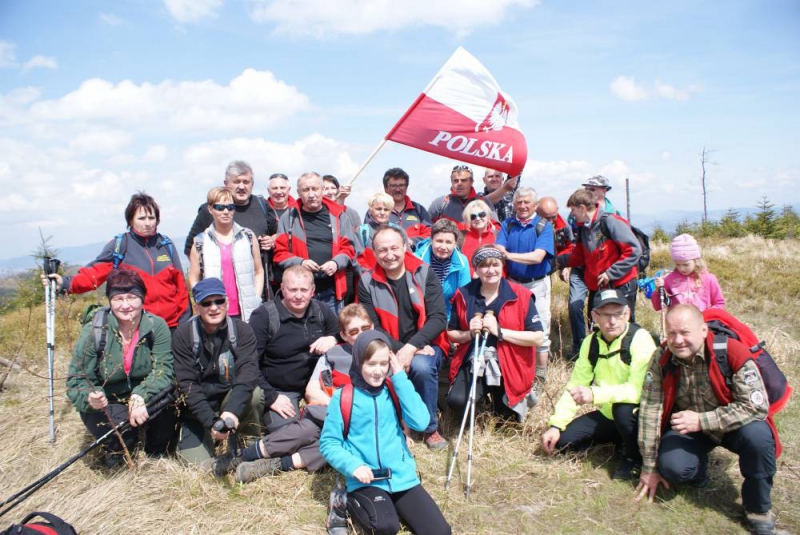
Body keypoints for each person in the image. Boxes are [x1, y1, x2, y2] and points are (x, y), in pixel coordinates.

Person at [636, 305, 783, 535]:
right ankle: (698, 470)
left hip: (733, 425)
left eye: (685, 332)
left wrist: (703, 421)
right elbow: (650, 408)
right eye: (671, 333)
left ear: (703, 330)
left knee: (759, 437)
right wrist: (648, 466)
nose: (678, 340)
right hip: (688, 427)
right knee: (672, 466)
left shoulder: (731, 351)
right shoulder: (662, 358)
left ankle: (758, 510)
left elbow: (756, 406)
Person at [219, 304, 372, 483]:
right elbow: (312, 390)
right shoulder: (332, 356)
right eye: (353, 331)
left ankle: (274, 465)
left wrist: (405, 432)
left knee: (338, 443)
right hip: (330, 413)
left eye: (365, 328)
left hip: (361, 425)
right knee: (304, 430)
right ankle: (239, 456)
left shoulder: (382, 355)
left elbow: (394, 396)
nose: (361, 334)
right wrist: (341, 408)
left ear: (372, 326)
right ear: (344, 335)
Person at [319, 330, 452, 535]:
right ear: (358, 362)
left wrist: (399, 376)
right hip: (366, 480)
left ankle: (390, 505)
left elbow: (421, 421)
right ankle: (342, 501)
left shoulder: (394, 388)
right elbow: (329, 443)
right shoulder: (344, 397)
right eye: (371, 364)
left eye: (383, 363)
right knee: (384, 528)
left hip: (401, 477)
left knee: (439, 531)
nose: (378, 371)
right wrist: (353, 466)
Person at [65, 269, 176, 468]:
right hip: (108, 401)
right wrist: (90, 398)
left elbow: (164, 369)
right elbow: (77, 379)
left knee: (166, 406)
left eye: (132, 297)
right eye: (118, 298)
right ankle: (116, 455)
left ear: (142, 298)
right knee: (120, 430)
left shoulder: (156, 326)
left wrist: (140, 395)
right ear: (109, 300)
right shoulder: (95, 331)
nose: (125, 305)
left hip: (142, 395)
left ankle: (156, 454)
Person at [541, 289, 656, 479]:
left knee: (623, 409)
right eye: (605, 315)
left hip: (637, 415)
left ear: (627, 313)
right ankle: (619, 439)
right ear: (595, 316)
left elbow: (638, 391)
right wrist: (556, 425)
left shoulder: (640, 339)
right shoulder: (590, 342)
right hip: (607, 413)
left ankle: (633, 459)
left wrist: (595, 394)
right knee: (563, 443)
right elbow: (575, 385)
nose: (612, 321)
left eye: (618, 314)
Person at [358, 225, 449, 450]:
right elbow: (373, 326)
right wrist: (402, 350)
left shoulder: (424, 272)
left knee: (421, 366)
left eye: (394, 248)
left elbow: (438, 318)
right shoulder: (366, 281)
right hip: (388, 344)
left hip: (429, 344)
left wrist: (411, 348)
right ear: (374, 252)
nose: (389, 255)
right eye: (382, 250)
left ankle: (430, 428)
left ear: (405, 246)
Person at [43, 192, 190, 329]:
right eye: (141, 218)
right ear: (131, 220)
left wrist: (185, 323)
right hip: (136, 326)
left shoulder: (165, 244)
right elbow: (94, 274)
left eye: (151, 218)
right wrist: (66, 283)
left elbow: (181, 287)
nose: (147, 223)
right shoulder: (120, 245)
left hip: (171, 326)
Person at [172, 278, 264, 465]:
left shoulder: (242, 331)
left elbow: (248, 375)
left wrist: (231, 412)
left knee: (254, 393)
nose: (214, 308)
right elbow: (188, 385)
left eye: (219, 301)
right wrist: (210, 421)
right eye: (206, 303)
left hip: (228, 401)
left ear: (227, 302)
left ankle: (248, 443)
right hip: (197, 409)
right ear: (197, 307)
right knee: (200, 467)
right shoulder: (183, 335)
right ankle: (209, 437)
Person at [447, 245, 543, 421]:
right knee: (458, 402)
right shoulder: (463, 294)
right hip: (474, 358)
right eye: (484, 265)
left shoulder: (521, 295)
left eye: (495, 264)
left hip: (509, 361)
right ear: (475, 269)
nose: (490, 270)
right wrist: (469, 333)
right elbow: (451, 333)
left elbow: (537, 338)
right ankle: (479, 399)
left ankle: (513, 398)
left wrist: (499, 332)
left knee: (507, 419)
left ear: (502, 266)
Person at [248, 265, 340, 434]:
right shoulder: (264, 316)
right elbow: (249, 363)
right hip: (281, 390)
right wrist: (271, 397)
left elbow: (344, 334)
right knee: (290, 435)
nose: (298, 296)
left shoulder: (321, 311)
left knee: (336, 424)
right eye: (292, 290)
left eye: (304, 290)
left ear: (312, 291)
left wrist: (333, 338)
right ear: (282, 289)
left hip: (317, 386)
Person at [495, 187, 554, 388]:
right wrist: (504, 253)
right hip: (513, 282)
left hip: (537, 283)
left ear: (535, 205)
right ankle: (516, 369)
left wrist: (509, 256)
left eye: (527, 202)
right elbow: (498, 247)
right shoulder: (508, 224)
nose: (522, 206)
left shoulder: (544, 226)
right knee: (513, 326)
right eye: (519, 202)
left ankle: (540, 376)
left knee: (540, 328)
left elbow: (538, 256)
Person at [273, 172, 356, 314]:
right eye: (306, 190)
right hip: (299, 294)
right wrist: (301, 262)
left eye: (315, 189)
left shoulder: (339, 216)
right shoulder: (289, 218)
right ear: (298, 192)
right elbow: (279, 253)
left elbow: (348, 249)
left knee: (333, 334)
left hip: (332, 291)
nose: (311, 194)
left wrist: (336, 263)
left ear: (322, 189)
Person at [183, 161, 277, 285]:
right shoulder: (210, 210)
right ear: (226, 184)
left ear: (252, 184)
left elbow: (277, 234)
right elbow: (191, 247)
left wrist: (272, 241)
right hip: (220, 287)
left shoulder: (262, 205)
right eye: (237, 181)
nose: (242, 187)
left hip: (259, 285)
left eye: (246, 182)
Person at [564, 176, 622, 356]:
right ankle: (580, 347)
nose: (590, 191)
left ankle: (595, 348)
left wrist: (612, 272)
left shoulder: (613, 215)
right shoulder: (577, 216)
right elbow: (572, 242)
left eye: (594, 188)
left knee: (596, 309)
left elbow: (625, 248)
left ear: (604, 190)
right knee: (575, 305)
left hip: (603, 273)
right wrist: (564, 264)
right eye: (588, 188)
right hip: (582, 267)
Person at [189, 187, 264, 322]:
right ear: (210, 209)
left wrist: (256, 297)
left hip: (247, 312)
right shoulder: (200, 242)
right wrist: (203, 301)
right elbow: (194, 277)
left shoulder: (248, 236)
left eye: (230, 207)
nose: (225, 212)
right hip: (215, 313)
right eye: (219, 207)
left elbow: (258, 271)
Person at [565, 188, 641, 322]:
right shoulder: (584, 227)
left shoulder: (611, 222)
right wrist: (557, 261)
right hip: (599, 286)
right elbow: (579, 256)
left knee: (621, 326)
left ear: (582, 208)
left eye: (573, 210)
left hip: (620, 284)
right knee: (597, 326)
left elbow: (634, 250)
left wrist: (610, 273)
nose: (571, 214)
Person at [413, 218, 471, 322]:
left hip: (448, 318)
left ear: (455, 243)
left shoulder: (462, 262)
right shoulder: (415, 260)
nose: (443, 247)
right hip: (420, 318)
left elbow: (464, 297)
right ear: (431, 240)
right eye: (439, 241)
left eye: (448, 242)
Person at [652, 234, 725, 311]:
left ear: (696, 260)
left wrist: (707, 316)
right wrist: (657, 291)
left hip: (703, 321)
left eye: (686, 264)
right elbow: (657, 306)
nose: (682, 268)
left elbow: (719, 304)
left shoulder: (709, 279)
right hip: (678, 321)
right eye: (677, 264)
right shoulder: (668, 279)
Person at [428, 165, 504, 228]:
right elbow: (427, 229)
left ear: (471, 182)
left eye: (463, 180)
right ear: (451, 182)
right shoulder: (440, 203)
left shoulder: (484, 202)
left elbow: (496, 228)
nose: (459, 183)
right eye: (456, 181)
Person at [383, 167, 432, 248]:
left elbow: (430, 233)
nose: (398, 189)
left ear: (406, 187)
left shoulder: (419, 210)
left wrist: (412, 242)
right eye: (394, 186)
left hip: (415, 257)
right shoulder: (376, 211)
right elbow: (370, 237)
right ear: (385, 188)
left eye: (401, 185)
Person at [459, 199, 499, 277]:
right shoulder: (460, 237)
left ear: (488, 216)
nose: (477, 218)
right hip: (467, 284)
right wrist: (471, 273)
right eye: (473, 216)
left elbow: (503, 264)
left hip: (492, 284)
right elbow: (454, 261)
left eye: (481, 214)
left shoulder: (498, 236)